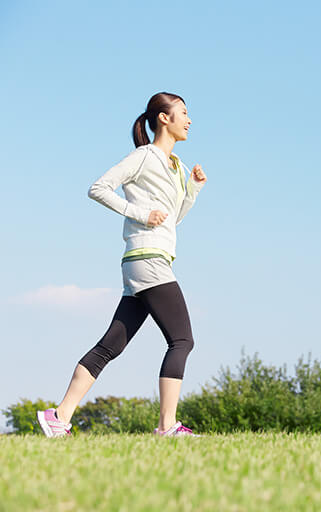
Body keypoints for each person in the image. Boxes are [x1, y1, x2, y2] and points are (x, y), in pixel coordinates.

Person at [37, 92, 207, 437]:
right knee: (182, 340)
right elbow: (98, 188)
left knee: (111, 345)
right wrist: (140, 213)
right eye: (184, 113)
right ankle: (167, 426)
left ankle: (59, 417)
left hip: (147, 260)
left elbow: (170, 220)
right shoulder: (144, 157)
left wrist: (192, 191)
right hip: (147, 259)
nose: (189, 120)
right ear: (164, 118)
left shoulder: (178, 167)